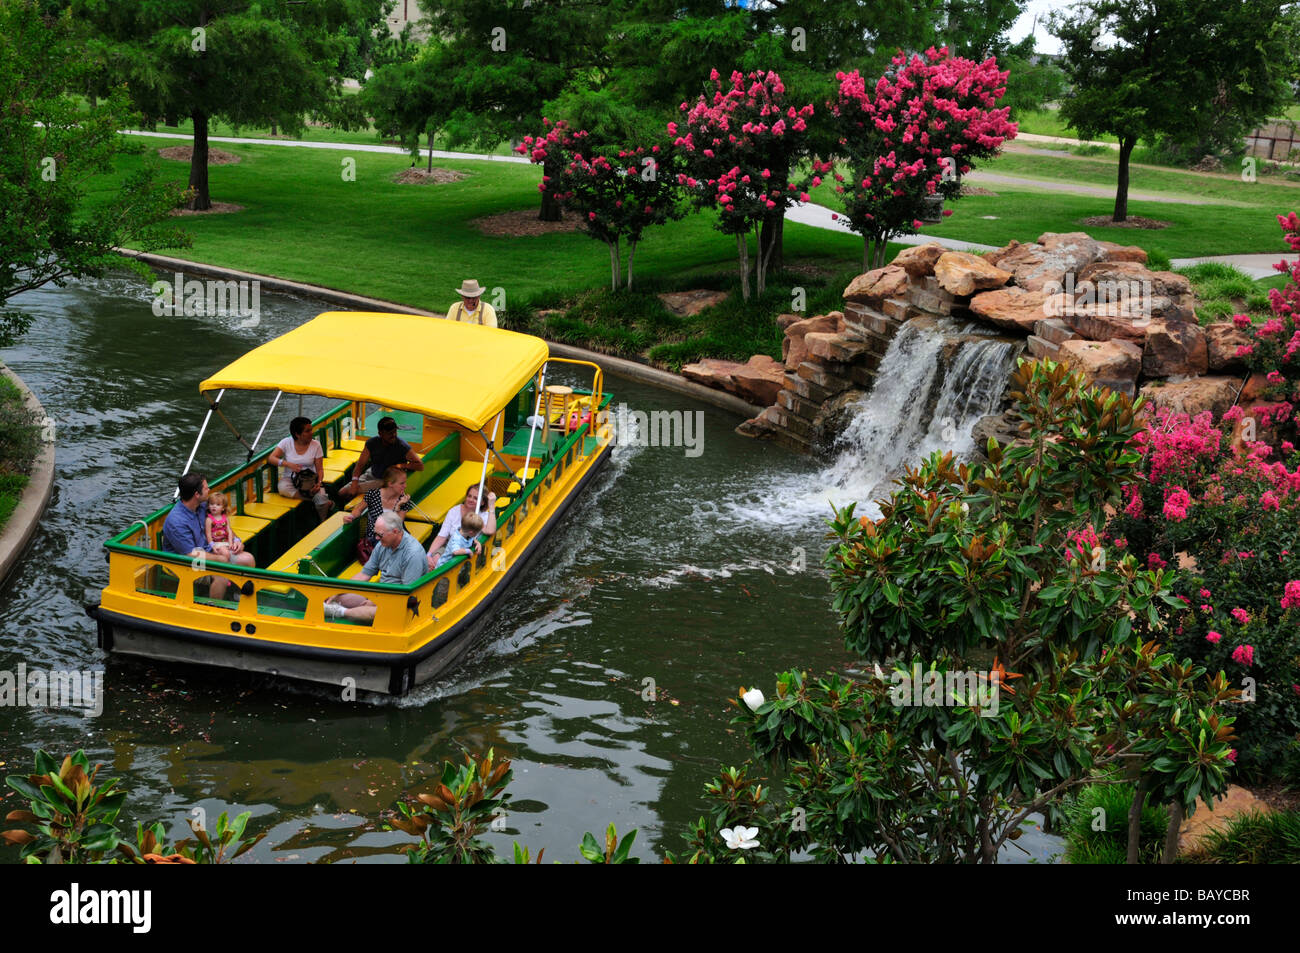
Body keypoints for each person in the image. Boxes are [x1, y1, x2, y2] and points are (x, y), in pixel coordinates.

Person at [162, 472, 256, 600]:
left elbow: (222, 526)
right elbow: (190, 555)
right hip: (185, 563)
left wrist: (236, 540)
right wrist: (220, 559)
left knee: (248, 559)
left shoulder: (203, 506)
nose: (209, 490)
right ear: (196, 494)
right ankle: (214, 607)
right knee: (220, 574)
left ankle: (238, 596)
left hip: (209, 551)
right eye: (206, 488)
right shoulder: (176, 521)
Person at [324, 510, 427, 623]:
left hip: (400, 601)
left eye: (380, 535)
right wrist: (338, 591)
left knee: (379, 610)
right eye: (375, 533)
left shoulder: (413, 554)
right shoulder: (383, 545)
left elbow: (406, 595)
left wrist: (376, 601)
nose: (376, 538)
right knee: (336, 597)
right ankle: (345, 608)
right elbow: (364, 575)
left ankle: (340, 612)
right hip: (381, 593)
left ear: (395, 531)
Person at [340, 415, 424, 501]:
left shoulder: (402, 446)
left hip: (385, 481)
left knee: (347, 492)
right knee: (341, 492)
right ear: (380, 433)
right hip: (372, 473)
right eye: (389, 433)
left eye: (395, 431)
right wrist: (354, 482)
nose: (394, 435)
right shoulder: (371, 443)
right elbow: (360, 465)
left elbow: (420, 465)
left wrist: (401, 466)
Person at [341, 466, 413, 563]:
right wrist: (350, 517)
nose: (405, 486)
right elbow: (358, 509)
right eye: (402, 483)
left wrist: (398, 506)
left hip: (396, 536)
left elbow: (398, 525)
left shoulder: (403, 500)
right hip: (375, 536)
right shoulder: (373, 494)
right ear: (390, 484)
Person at [269, 416, 333, 521]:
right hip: (291, 478)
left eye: (311, 430)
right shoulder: (286, 442)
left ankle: (323, 521)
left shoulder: (316, 445)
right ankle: (313, 500)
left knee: (322, 497)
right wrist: (288, 464)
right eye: (307, 431)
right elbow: (271, 458)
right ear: (297, 434)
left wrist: (319, 482)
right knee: (283, 488)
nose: (311, 433)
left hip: (311, 480)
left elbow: (320, 469)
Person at [426, 482, 497, 571]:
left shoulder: (482, 516)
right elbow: (442, 536)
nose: (471, 500)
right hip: (451, 546)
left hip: (470, 550)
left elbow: (490, 530)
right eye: (469, 496)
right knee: (434, 560)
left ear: (482, 502)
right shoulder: (454, 511)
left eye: (475, 498)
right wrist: (429, 554)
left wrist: (491, 506)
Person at [204, 491, 233, 562]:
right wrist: (212, 545)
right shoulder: (209, 519)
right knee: (226, 553)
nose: (214, 506)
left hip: (225, 541)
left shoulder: (225, 518)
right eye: (212, 504)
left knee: (234, 551)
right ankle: (228, 568)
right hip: (216, 543)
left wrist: (231, 542)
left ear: (223, 508)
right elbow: (208, 534)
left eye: (218, 504)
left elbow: (229, 530)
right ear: (208, 506)